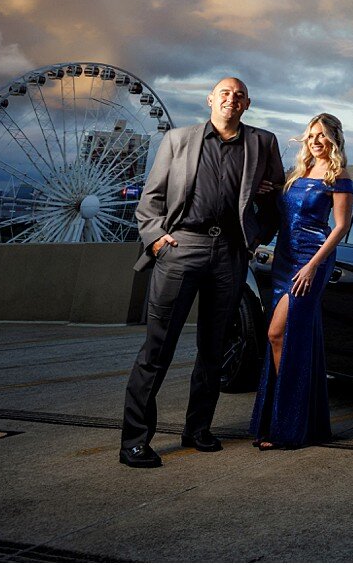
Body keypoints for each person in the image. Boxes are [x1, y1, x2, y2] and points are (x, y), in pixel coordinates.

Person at [119, 76, 284, 468]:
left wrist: (254, 237)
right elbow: (151, 199)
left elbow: (277, 198)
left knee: (214, 350)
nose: (231, 99)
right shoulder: (179, 140)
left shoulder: (263, 142)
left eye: (239, 95)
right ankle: (135, 442)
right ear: (211, 99)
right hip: (182, 247)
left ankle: (197, 430)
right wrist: (158, 239)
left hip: (230, 253)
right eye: (224, 93)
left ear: (248, 104)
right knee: (157, 350)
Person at [250, 112, 353, 449]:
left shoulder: (339, 176)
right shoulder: (298, 173)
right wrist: (270, 189)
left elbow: (340, 227)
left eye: (322, 135)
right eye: (311, 136)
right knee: (287, 338)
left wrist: (311, 266)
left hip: (311, 260)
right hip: (284, 258)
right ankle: (295, 420)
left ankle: (288, 422)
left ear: (334, 138)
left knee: (278, 333)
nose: (316, 141)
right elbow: (285, 210)